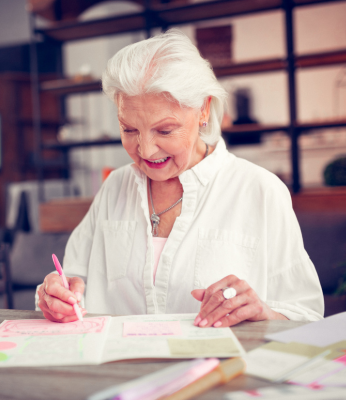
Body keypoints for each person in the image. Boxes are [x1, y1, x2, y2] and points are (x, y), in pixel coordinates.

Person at [37, 30, 324, 327]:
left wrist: (261, 311)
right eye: (130, 129)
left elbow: (307, 315)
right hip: (118, 370)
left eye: (164, 130)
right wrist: (57, 296)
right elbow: (73, 279)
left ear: (204, 109)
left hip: (216, 369)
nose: (145, 150)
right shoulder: (115, 188)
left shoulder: (260, 191)